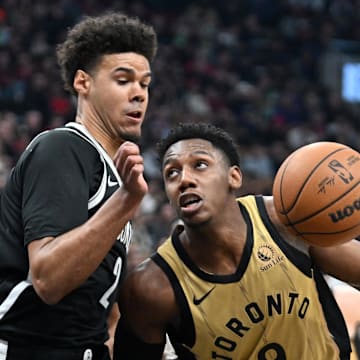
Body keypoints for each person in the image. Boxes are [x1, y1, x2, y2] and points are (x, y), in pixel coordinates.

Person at [113, 122, 360, 360]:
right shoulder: (151, 287)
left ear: (234, 177)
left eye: (200, 165)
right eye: (172, 173)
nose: (184, 179)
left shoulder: (286, 222)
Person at [0, 11, 157, 360]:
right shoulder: (61, 147)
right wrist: (126, 202)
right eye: (123, 80)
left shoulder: (113, 174)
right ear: (83, 83)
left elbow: (103, 302)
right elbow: (49, 279)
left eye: (145, 84)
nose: (139, 94)